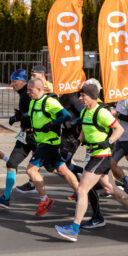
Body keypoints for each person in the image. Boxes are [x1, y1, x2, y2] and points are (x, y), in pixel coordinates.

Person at [54, 84, 128, 242]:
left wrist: (109, 141)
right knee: (110, 188)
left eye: (83, 95)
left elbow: (119, 129)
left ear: (92, 96)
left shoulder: (102, 113)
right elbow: (85, 129)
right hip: (93, 154)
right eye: (80, 95)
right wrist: (78, 142)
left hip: (101, 155)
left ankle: (74, 229)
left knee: (82, 189)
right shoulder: (85, 111)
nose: (80, 98)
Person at [25, 78, 79, 216]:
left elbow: (66, 115)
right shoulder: (33, 102)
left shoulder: (49, 101)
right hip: (41, 142)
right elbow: (33, 116)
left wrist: (51, 123)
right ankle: (83, 193)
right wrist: (20, 117)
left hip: (49, 142)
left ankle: (45, 200)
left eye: (30, 90)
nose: (28, 92)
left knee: (31, 171)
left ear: (39, 89)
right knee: (63, 170)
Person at [0, 70, 36, 208]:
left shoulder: (27, 95)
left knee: (56, 168)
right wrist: (19, 116)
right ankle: (6, 197)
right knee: (11, 163)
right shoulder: (23, 95)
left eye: (14, 81)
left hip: (35, 137)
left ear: (22, 81)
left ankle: (82, 184)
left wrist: (18, 117)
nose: (11, 84)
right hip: (24, 136)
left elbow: (31, 114)